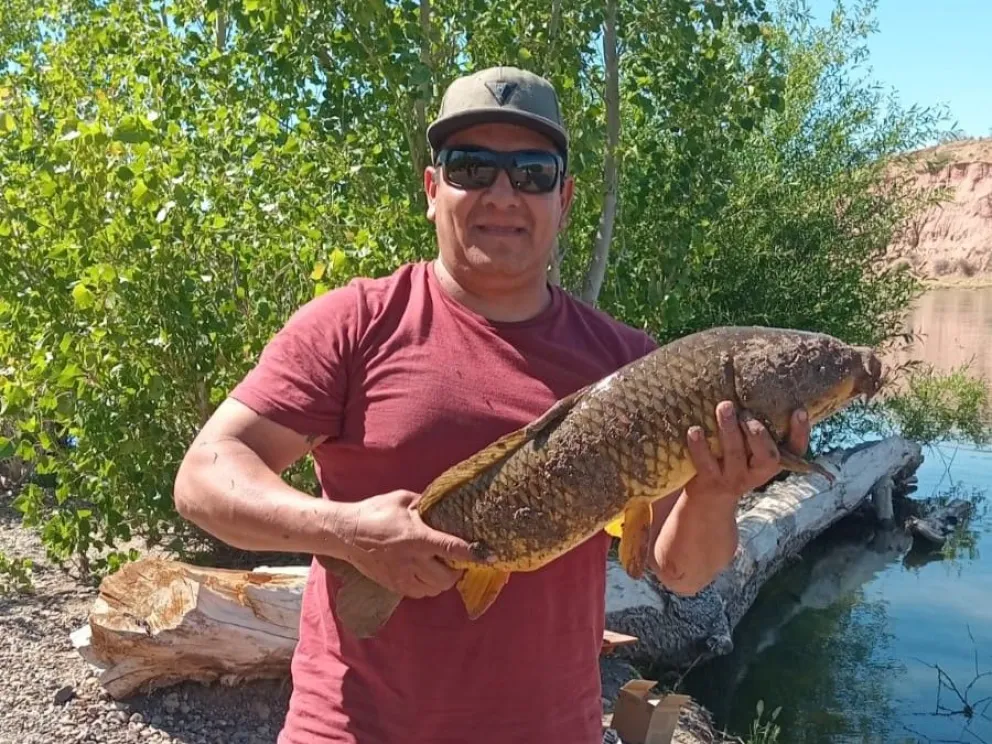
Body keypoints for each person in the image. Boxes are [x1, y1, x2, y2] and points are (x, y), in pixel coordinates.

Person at [173, 66, 810, 744]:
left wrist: (716, 493)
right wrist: (342, 530)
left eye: (532, 172)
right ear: (431, 189)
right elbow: (205, 478)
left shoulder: (631, 364)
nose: (502, 192)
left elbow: (680, 572)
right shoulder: (355, 323)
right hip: (352, 729)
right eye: (471, 167)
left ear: (564, 199)